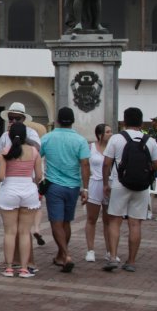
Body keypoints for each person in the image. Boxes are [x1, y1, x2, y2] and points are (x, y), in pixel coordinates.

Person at [102, 107, 157, 273]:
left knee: (114, 220)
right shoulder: (149, 141)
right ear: (141, 122)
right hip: (141, 186)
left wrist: (105, 183)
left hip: (120, 183)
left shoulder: (116, 139)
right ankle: (131, 261)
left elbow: (107, 163)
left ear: (124, 121)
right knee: (135, 223)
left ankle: (113, 257)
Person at [38, 106, 90, 273]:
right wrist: (86, 188)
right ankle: (61, 255)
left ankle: (65, 255)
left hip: (54, 185)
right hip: (73, 186)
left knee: (56, 222)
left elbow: (36, 156)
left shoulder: (47, 138)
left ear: (57, 121)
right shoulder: (81, 141)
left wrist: (38, 179)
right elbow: (85, 165)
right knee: (66, 222)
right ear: (73, 121)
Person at [0, 122, 44, 278]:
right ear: (26, 136)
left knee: (10, 233)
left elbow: (0, 176)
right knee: (24, 233)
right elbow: (38, 176)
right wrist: (33, 184)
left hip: (9, 191)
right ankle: (24, 268)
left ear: (9, 136)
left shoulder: (5, 151)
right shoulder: (34, 152)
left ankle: (9, 267)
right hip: (28, 191)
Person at [83, 123, 114, 262]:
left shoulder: (113, 148)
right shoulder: (91, 148)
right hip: (94, 183)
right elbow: (85, 167)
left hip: (109, 184)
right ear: (100, 134)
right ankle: (90, 250)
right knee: (92, 218)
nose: (110, 134)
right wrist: (84, 188)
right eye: (108, 132)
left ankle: (110, 251)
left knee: (109, 220)